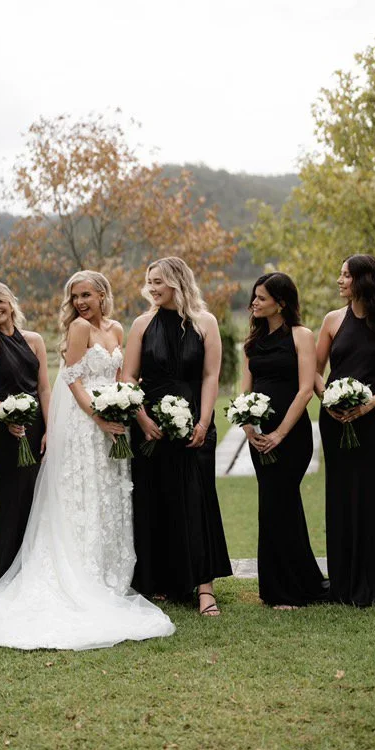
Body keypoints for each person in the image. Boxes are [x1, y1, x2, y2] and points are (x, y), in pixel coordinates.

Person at [0, 271, 174, 650]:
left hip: (90, 425)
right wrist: (18, 416)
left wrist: (114, 410)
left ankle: (107, 572)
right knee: (49, 498)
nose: (79, 302)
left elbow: (74, 383)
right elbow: (49, 382)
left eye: (86, 295)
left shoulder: (102, 330)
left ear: (102, 295)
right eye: (75, 296)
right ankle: (39, 574)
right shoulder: (51, 332)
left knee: (100, 496)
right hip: (53, 426)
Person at [122, 256, 232, 616]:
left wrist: (203, 422)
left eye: (159, 281)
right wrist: (141, 419)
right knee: (154, 498)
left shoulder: (205, 322)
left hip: (195, 420)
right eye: (149, 281)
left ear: (177, 281)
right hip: (150, 424)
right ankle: (161, 581)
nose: (152, 288)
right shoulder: (141, 324)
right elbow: (128, 377)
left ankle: (204, 588)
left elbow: (211, 375)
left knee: (197, 499)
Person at [316, 254, 375, 607]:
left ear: (363, 280)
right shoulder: (331, 320)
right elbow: (315, 371)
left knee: (371, 500)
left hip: (374, 424)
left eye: (346, 275)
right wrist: (329, 399)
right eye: (340, 274)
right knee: (339, 499)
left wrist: (369, 404)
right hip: (335, 422)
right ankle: (342, 585)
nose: (340, 281)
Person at [242, 273, 328, 609]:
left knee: (282, 502)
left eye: (261, 297)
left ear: (281, 303)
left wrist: (279, 433)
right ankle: (284, 585)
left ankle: (290, 589)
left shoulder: (301, 335)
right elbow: (245, 390)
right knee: (271, 504)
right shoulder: (252, 341)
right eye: (254, 296)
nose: (254, 302)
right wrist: (248, 427)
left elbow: (305, 390)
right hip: (259, 436)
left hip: (291, 435)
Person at [0, 281, 49, 585]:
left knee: (37, 500)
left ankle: (34, 574)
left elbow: (44, 388)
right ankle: (6, 577)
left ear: (10, 302)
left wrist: (49, 429)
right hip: (5, 430)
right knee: (13, 502)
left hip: (36, 428)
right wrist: (6, 416)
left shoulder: (35, 340)